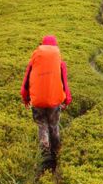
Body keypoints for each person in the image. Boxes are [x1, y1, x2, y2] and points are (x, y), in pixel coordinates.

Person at [20, 35, 72, 171]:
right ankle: (56, 154)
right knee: (54, 126)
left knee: (42, 126)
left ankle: (45, 157)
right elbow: (64, 83)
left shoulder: (34, 61)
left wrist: (26, 98)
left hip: (38, 101)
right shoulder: (60, 63)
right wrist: (67, 99)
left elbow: (26, 82)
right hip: (54, 101)